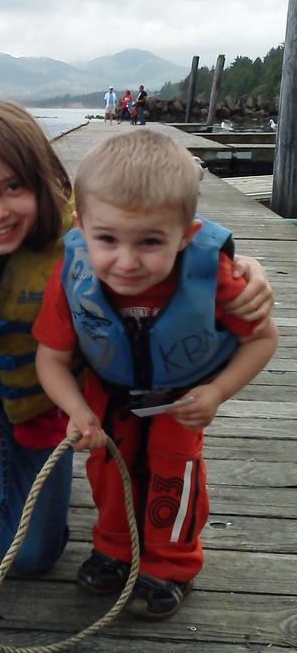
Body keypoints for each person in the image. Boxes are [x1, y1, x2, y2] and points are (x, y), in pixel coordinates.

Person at [0, 102, 273, 612]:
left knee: (33, 556)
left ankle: (36, 491)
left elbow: (157, 221)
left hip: (39, 409)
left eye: (13, 187)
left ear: (46, 184)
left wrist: (241, 264)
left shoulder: (83, 244)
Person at [34, 130, 277, 621]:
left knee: (175, 474)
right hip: (108, 392)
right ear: (82, 230)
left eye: (149, 241)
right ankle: (115, 551)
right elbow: (51, 358)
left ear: (187, 234)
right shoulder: (72, 278)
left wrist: (217, 391)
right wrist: (77, 410)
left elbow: (262, 339)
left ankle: (171, 564)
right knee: (107, 469)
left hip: (182, 397)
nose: (126, 262)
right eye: (107, 240)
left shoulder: (216, 275)